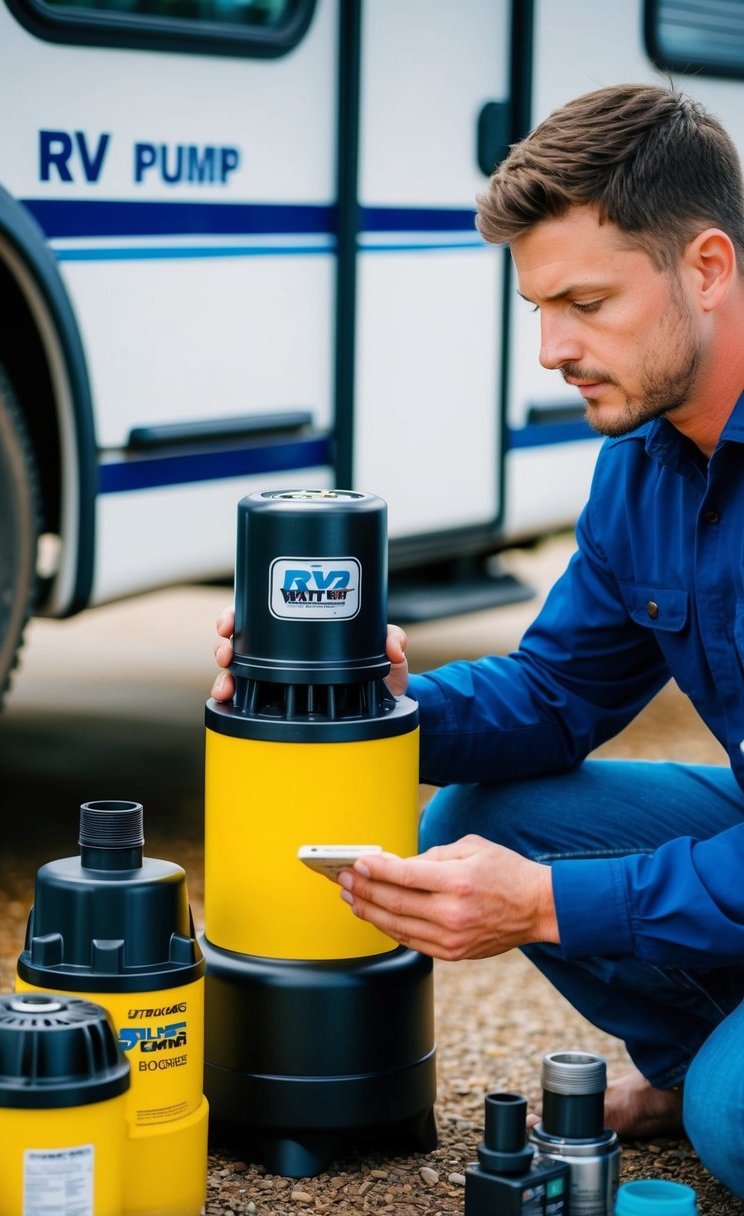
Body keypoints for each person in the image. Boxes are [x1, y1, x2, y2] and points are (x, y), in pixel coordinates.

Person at [212, 83, 744, 1199]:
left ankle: (713, 1082)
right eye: (539, 307)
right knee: (482, 814)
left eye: (587, 303)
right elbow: (556, 694)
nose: (552, 348)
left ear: (705, 267)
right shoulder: (646, 465)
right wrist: (378, 698)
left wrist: (544, 905)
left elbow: (553, 896)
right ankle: (707, 1055)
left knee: (732, 1121)